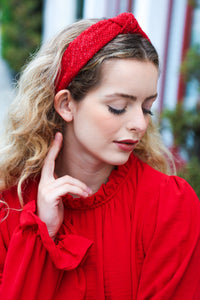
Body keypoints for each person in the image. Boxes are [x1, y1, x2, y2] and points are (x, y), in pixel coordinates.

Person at [0, 12, 200, 300]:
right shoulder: (9, 207)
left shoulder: (170, 207)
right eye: (119, 106)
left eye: (147, 107)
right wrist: (41, 233)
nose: (140, 124)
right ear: (67, 104)